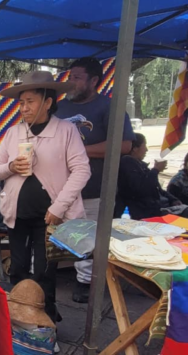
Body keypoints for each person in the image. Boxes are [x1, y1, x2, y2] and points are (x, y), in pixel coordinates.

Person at [0, 71, 90, 323]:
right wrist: (11, 167)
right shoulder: (14, 133)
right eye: (21, 102)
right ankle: (17, 321)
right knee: (19, 269)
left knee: (45, 272)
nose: (23, 108)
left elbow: (81, 170)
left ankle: (45, 324)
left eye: (30, 101)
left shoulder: (66, 131)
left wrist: (58, 207)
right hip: (17, 214)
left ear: (48, 102)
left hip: (49, 218)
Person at [55, 57, 135, 304]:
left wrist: (76, 151)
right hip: (60, 188)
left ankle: (87, 283)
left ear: (94, 81)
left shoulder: (110, 108)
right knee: (59, 233)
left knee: (90, 236)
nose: (71, 82)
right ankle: (53, 274)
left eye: (77, 77)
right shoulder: (60, 109)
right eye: (69, 77)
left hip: (95, 187)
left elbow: (124, 145)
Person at [117, 134, 188, 221]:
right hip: (146, 210)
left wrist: (173, 199)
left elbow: (158, 189)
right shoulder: (127, 162)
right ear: (135, 148)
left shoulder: (140, 165)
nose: (146, 149)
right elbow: (142, 189)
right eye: (144, 145)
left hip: (160, 206)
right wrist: (155, 170)